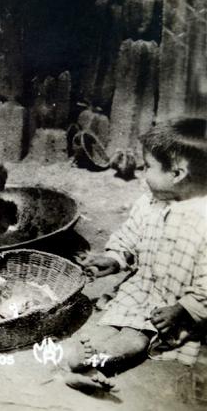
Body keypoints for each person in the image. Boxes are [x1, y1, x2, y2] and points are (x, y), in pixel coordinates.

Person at [68, 117, 207, 388]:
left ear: (177, 174)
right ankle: (79, 360)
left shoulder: (204, 220)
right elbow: (131, 236)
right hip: (140, 288)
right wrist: (114, 258)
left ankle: (96, 365)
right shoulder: (150, 203)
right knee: (107, 325)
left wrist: (182, 309)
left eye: (149, 167)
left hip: (170, 305)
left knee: (135, 339)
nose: (144, 174)